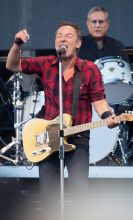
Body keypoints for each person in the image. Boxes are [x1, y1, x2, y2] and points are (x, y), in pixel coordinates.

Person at [6, 21, 119, 220]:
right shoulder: (46, 64)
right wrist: (17, 44)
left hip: (78, 137)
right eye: (59, 36)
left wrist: (108, 116)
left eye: (67, 36)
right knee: (49, 196)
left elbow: (99, 101)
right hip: (49, 137)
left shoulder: (90, 69)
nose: (62, 39)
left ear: (78, 43)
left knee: (80, 191)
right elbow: (12, 64)